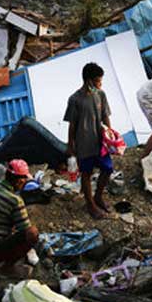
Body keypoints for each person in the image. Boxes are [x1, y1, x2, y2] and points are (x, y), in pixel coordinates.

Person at [64, 62, 114, 219]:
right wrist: (70, 145)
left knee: (107, 168)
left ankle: (98, 196)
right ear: (88, 81)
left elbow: (105, 115)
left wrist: (110, 134)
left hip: (100, 141)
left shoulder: (101, 95)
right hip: (84, 143)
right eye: (98, 80)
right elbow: (72, 125)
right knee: (86, 173)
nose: (100, 83)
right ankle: (90, 204)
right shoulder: (75, 99)